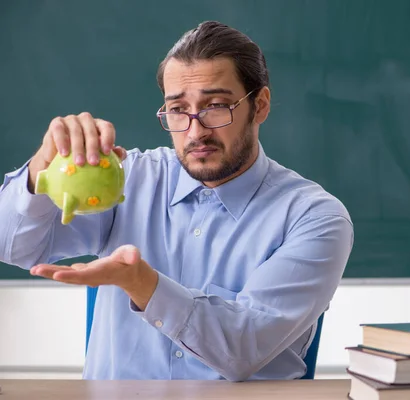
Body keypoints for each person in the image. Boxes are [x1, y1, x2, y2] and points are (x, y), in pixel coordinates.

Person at [0, 21, 353, 381]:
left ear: (259, 106)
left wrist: (144, 284)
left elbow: (244, 349)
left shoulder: (314, 217)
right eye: (178, 110)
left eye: (216, 106)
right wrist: (38, 171)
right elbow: (11, 246)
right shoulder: (128, 179)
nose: (195, 131)